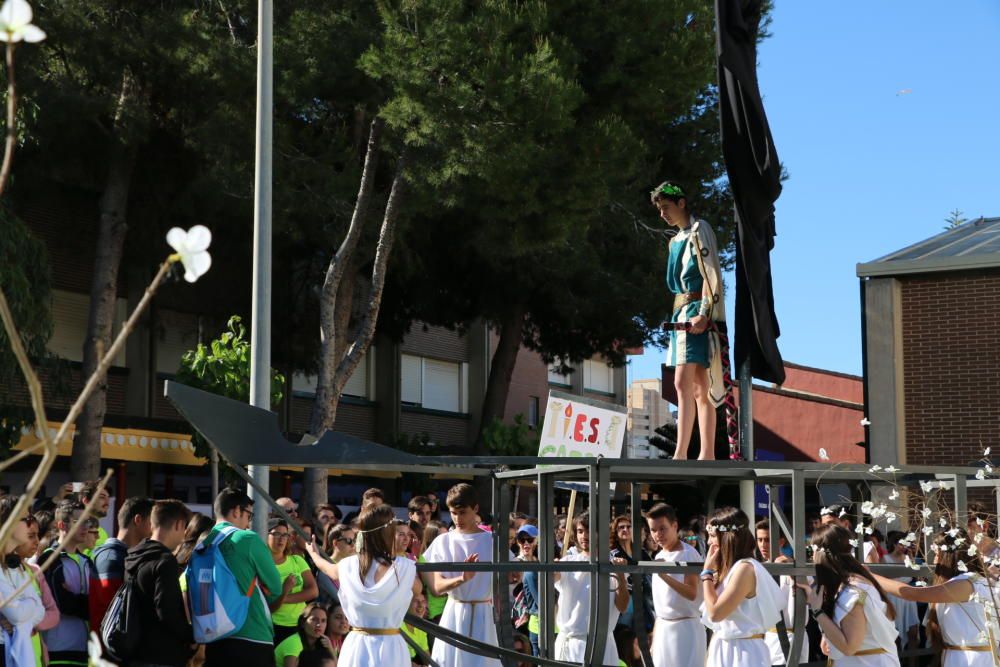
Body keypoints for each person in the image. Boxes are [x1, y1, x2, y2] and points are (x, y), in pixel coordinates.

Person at [651, 180, 726, 461]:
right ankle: (703, 453)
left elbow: (710, 273)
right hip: (681, 313)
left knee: (686, 383)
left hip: (695, 311)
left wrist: (704, 312)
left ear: (682, 203)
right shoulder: (675, 240)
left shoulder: (699, 230)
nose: (663, 214)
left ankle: (684, 452)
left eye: (666, 207)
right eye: (660, 210)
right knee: (696, 387)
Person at [306, 503, 420, 667]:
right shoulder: (403, 567)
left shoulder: (347, 565)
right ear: (387, 533)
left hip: (357, 645)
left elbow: (329, 569)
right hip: (391, 647)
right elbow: (418, 589)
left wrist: (314, 555)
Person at [870, 529, 996, 667]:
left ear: (949, 556)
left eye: (937, 554)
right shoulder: (963, 581)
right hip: (958, 655)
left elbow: (913, 593)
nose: (935, 560)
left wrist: (870, 576)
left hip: (973, 659)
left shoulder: (967, 583)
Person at [201, 488, 285, 667]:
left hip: (213, 635)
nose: (248, 521)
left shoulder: (203, 544)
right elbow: (276, 588)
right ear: (236, 510)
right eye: (249, 514)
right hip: (252, 635)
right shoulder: (248, 539)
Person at [796, 524, 898, 667]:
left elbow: (849, 646)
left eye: (811, 551)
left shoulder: (854, 591)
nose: (811, 557)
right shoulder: (851, 583)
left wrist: (818, 611)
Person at [422, 483, 500, 667]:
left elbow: (514, 576)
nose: (457, 518)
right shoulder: (443, 541)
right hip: (454, 614)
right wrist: (462, 579)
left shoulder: (493, 541)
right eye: (453, 513)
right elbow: (436, 587)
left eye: (463, 512)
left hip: (484, 616)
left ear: (475, 509)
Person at [700, 507, 785, 667]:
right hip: (723, 648)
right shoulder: (731, 569)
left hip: (743, 653)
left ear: (726, 537)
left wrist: (706, 574)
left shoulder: (745, 569)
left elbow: (715, 614)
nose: (709, 542)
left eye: (712, 536)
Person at [124, 499, 195, 667]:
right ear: (178, 524)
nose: (184, 535)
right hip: (161, 655)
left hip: (133, 651)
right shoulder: (164, 561)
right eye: (184, 528)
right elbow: (166, 610)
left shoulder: (132, 556)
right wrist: (191, 635)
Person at [553, 511, 629, 665]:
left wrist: (620, 574)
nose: (584, 535)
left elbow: (622, 606)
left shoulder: (614, 564)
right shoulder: (568, 562)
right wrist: (553, 568)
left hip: (601, 644)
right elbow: (552, 580)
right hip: (571, 644)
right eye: (580, 531)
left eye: (589, 530)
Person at [645, 502, 705, 667]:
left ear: (674, 526)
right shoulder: (659, 556)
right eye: (653, 530)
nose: (658, 534)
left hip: (685, 629)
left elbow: (692, 593)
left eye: (662, 528)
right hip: (664, 629)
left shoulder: (688, 553)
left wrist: (664, 575)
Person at [88, 496, 154, 632]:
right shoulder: (109, 558)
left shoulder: (126, 555)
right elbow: (113, 607)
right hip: (109, 648)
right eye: (152, 522)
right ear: (138, 520)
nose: (154, 528)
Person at [42, 500, 95, 667]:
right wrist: (87, 603)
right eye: (77, 521)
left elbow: (100, 603)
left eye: (86, 521)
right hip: (56, 650)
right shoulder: (49, 558)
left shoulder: (87, 561)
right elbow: (61, 603)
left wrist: (76, 598)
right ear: (61, 525)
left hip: (83, 650)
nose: (85, 527)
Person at [755, 518, 810, 666]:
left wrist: (791, 570)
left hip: (797, 636)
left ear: (780, 542)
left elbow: (810, 590)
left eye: (767, 540)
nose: (762, 545)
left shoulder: (794, 566)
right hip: (771, 638)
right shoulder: (757, 569)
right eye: (759, 540)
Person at [0, 496, 46, 667]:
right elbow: (17, 614)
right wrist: (29, 608)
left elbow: (40, 612)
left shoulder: (15, 564)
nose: (31, 522)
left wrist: (21, 619)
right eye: (26, 518)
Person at [14, 513, 61, 667]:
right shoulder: (3, 572)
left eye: (37, 535)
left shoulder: (35, 571)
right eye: (30, 536)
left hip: (36, 658)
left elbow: (54, 614)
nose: (37, 541)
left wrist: (27, 622)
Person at [268, 518, 320, 644]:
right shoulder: (262, 565)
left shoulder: (297, 560)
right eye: (276, 534)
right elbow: (270, 607)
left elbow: (313, 591)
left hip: (299, 624)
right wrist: (285, 591)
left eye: (285, 535)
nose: (281, 539)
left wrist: (283, 597)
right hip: (272, 626)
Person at [880, 531, 920, 652]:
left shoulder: (908, 558)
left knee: (913, 632)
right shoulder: (885, 559)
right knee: (895, 634)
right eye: (901, 544)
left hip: (908, 597)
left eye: (905, 544)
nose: (903, 547)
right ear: (894, 544)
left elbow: (915, 575)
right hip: (893, 597)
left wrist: (912, 556)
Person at [273, 603, 338, 667]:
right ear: (303, 623)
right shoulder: (294, 642)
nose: (319, 625)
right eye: (314, 619)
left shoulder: (321, 643)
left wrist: (330, 648)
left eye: (323, 621)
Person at [515, 525, 541, 655]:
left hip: (535, 617)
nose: (526, 543)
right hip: (520, 619)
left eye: (529, 540)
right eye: (521, 540)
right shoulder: (516, 562)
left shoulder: (539, 561)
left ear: (536, 541)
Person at [417, 520, 448, 624]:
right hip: (435, 616)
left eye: (447, 537)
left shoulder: (448, 557)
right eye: (441, 537)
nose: (446, 541)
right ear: (431, 539)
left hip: (448, 611)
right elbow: (436, 591)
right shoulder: (424, 559)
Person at [78, 480, 111, 555]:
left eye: (108, 497)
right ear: (86, 501)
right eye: (102, 497)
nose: (107, 502)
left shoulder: (102, 532)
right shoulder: (76, 531)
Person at [401, 593, 429, 666]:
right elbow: (396, 659)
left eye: (423, 601)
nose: (420, 605)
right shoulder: (398, 624)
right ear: (407, 604)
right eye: (416, 601)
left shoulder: (420, 627)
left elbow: (426, 657)